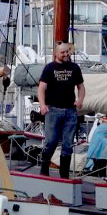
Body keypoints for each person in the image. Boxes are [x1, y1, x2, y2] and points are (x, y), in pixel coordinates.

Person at [35, 42, 85, 178]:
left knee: (68, 144)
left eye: (67, 51)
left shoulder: (74, 68)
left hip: (70, 111)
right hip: (53, 110)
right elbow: (41, 88)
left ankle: (64, 176)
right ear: (56, 54)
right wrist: (42, 105)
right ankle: (44, 170)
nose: (65, 54)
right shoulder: (49, 68)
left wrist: (80, 100)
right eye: (62, 52)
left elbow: (81, 87)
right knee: (51, 141)